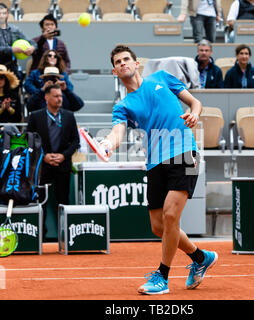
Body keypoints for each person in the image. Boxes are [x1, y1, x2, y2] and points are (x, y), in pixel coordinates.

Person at [100, 45, 218, 295]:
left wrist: (194, 114)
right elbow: (117, 131)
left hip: (183, 151)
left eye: (126, 59)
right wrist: (107, 143)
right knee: (158, 226)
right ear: (114, 71)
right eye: (118, 62)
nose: (123, 64)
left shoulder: (162, 78)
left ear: (136, 63)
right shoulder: (123, 106)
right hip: (155, 161)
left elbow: (194, 102)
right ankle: (200, 257)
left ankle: (162, 277)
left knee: (171, 215)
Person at [27, 83, 80, 239]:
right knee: (40, 202)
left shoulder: (69, 116)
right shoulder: (35, 116)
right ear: (47, 98)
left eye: (60, 96)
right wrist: (43, 155)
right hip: (42, 167)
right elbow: (29, 141)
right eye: (56, 96)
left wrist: (64, 156)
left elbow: (75, 141)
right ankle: (40, 237)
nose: (59, 99)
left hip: (63, 166)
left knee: (63, 201)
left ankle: (65, 236)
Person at [0, 2, 36, 80]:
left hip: (11, 66)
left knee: (15, 85)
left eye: (4, 13)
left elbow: (30, 42)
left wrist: (32, 48)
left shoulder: (14, 30)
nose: (1, 16)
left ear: (7, 15)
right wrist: (11, 49)